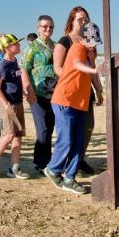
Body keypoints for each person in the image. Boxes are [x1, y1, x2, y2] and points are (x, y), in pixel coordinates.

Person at [44, 22, 103, 195]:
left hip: (80, 102)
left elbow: (91, 71)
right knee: (67, 140)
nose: (93, 44)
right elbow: (77, 64)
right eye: (90, 40)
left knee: (78, 141)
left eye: (95, 41)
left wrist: (99, 90)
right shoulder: (77, 47)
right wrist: (92, 69)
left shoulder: (88, 52)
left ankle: (70, 177)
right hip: (65, 100)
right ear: (82, 38)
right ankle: (53, 169)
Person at [53, 7, 103, 175]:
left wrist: (98, 89)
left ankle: (78, 161)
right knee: (67, 135)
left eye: (85, 19)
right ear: (72, 21)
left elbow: (91, 67)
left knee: (86, 129)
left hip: (84, 93)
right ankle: (59, 167)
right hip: (69, 93)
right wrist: (73, 81)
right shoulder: (66, 42)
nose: (83, 22)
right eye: (80, 19)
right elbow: (60, 68)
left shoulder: (89, 43)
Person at [0, 34, 35, 179]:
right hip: (8, 105)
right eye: (15, 44)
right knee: (8, 134)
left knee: (18, 135)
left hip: (17, 103)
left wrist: (26, 93)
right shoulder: (3, 65)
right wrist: (6, 104)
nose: (18, 45)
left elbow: (18, 81)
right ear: (7, 48)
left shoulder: (15, 63)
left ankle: (15, 167)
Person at [21, 15, 58, 174]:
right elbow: (24, 68)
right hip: (37, 93)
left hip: (55, 93)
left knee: (50, 128)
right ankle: (42, 163)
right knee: (42, 128)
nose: (48, 29)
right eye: (44, 26)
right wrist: (28, 90)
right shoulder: (32, 47)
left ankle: (44, 160)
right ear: (38, 27)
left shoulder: (56, 46)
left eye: (50, 27)